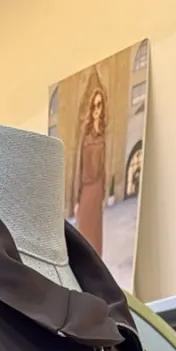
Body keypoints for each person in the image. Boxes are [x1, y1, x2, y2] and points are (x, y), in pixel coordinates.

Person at [72, 80, 108, 255]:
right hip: (86, 189)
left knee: (95, 234)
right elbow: (79, 168)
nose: (96, 109)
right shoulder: (85, 136)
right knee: (83, 233)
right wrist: (77, 199)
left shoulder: (103, 136)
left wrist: (104, 194)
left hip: (97, 189)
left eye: (99, 105)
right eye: (94, 105)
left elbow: (104, 169)